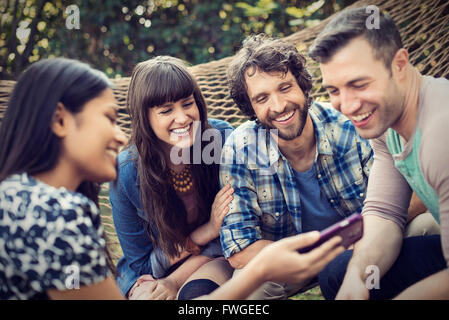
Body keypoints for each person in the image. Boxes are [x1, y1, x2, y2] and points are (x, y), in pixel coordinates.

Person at [309, 6, 448, 299]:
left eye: (359, 85)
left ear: (399, 64)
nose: (347, 106)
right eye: (334, 90)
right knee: (340, 274)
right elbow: (384, 213)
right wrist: (359, 276)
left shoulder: (440, 133)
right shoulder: (386, 125)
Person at [219, 34, 373, 300]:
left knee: (425, 226)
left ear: (302, 86)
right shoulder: (240, 149)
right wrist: (314, 253)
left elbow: (401, 199)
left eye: (285, 87)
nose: (278, 106)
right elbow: (239, 249)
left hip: (363, 243)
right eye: (262, 98)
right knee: (246, 292)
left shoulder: (346, 126)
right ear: (251, 108)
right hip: (286, 263)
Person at [109, 56, 236, 300]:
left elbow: (234, 232)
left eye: (187, 104)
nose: (182, 118)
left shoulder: (220, 140)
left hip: (217, 258)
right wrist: (206, 230)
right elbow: (143, 266)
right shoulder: (126, 173)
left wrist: (174, 281)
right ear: (144, 117)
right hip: (155, 272)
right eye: (166, 110)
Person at [0, 58, 128, 299]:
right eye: (110, 118)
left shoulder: (12, 196)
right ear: (60, 120)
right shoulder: (57, 214)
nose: (121, 136)